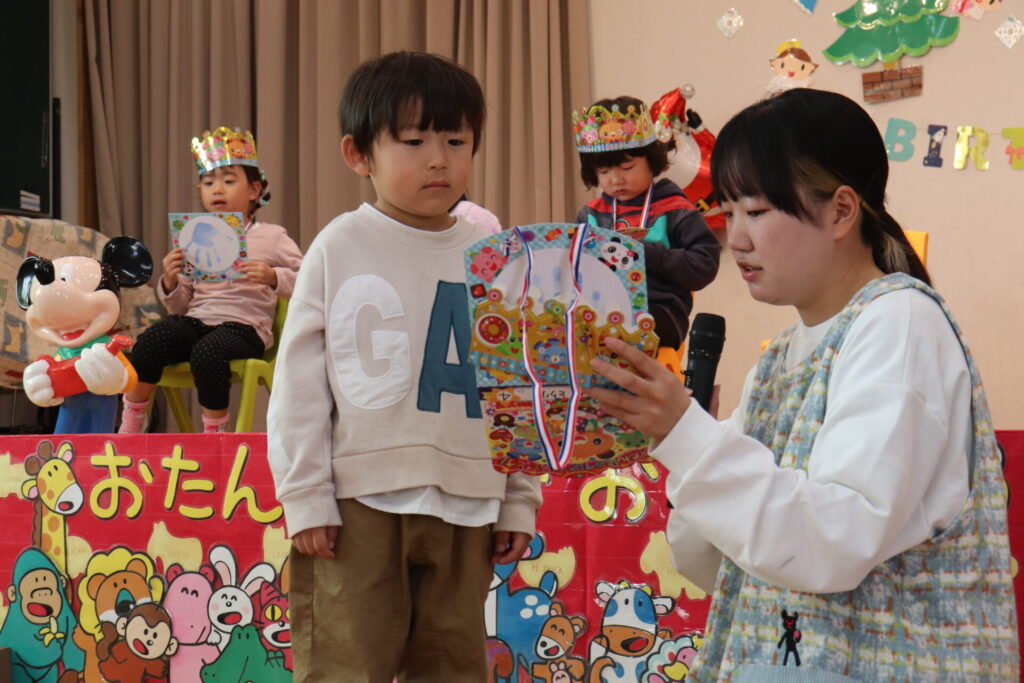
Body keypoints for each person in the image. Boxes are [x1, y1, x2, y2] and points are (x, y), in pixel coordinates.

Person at [588, 88, 1018, 680]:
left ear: (841, 211)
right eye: (728, 212)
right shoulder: (779, 358)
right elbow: (715, 563)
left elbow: (834, 543)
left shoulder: (900, 323)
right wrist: (682, 442)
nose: (736, 238)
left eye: (757, 212)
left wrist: (688, 435)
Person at [266, 51, 542, 682]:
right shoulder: (339, 245)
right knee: (345, 664)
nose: (438, 159)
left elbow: (517, 386)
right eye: (414, 142)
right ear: (358, 154)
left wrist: (519, 499)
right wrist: (306, 495)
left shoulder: (495, 257)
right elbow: (299, 385)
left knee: (453, 666)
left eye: (455, 141)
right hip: (359, 502)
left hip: (470, 501)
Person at [118, 127, 303, 433]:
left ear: (254, 190)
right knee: (151, 341)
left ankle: (214, 434)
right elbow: (180, 308)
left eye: (229, 181)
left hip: (245, 327)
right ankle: (132, 422)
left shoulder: (272, 236)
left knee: (208, 353)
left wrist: (274, 276)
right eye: (208, 183)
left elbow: (309, 277)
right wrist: (170, 280)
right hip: (197, 320)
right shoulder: (195, 235)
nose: (217, 189)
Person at [572, 95, 720, 349]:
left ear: (652, 161)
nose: (615, 179)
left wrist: (648, 255)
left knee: (618, 327)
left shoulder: (676, 209)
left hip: (660, 311)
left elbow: (705, 266)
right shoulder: (590, 215)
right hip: (598, 309)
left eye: (627, 167)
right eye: (604, 172)